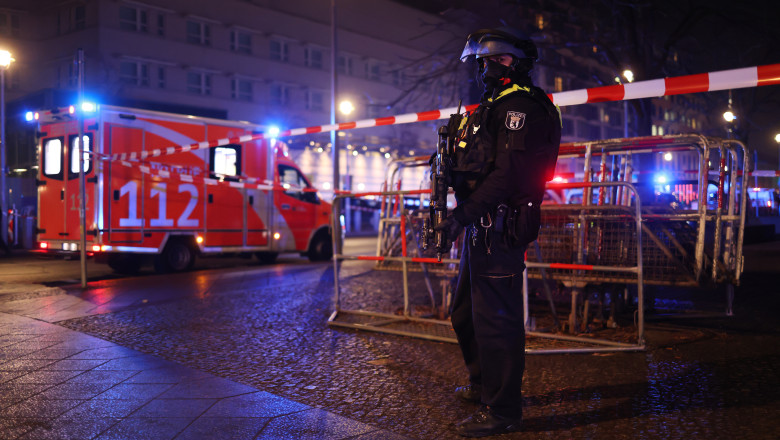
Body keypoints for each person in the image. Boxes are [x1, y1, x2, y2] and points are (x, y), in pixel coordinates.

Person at [434, 26, 561, 437]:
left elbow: (507, 176)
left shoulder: (521, 107)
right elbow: (480, 164)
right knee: (466, 314)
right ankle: (483, 384)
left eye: (499, 60)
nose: (488, 67)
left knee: (497, 322)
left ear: (519, 64)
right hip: (480, 223)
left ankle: (504, 410)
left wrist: (461, 216)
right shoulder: (492, 106)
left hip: (500, 224)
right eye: (484, 61)